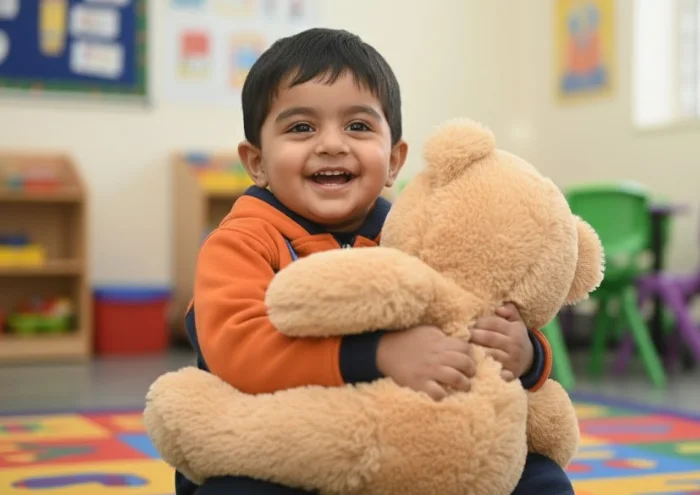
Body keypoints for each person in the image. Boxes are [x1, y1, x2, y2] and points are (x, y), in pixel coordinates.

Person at [177, 27, 573, 495]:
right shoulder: (241, 241)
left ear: (394, 161)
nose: (331, 144)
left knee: (539, 476)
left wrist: (526, 353)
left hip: (396, 442)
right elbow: (237, 350)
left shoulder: (415, 234)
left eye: (358, 126)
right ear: (257, 162)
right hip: (285, 443)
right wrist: (377, 355)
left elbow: (468, 305)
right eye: (301, 127)